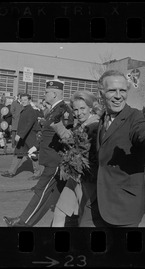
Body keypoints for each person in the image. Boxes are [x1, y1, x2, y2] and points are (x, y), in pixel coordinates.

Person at [79, 70, 145, 227]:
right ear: (101, 93)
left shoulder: (136, 117)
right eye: (112, 90)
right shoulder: (104, 117)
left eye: (123, 90)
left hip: (123, 206)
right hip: (96, 200)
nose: (118, 95)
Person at [3, 79, 74, 227]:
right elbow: (47, 134)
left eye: (47, 92)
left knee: (41, 190)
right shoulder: (54, 110)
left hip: (55, 160)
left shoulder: (63, 111)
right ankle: (25, 221)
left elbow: (67, 137)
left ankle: (23, 222)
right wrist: (36, 147)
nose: (44, 94)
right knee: (50, 196)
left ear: (54, 93)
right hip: (50, 158)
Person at [52, 91, 101, 227]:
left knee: (85, 219)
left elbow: (80, 148)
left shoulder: (95, 126)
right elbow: (72, 143)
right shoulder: (81, 124)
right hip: (75, 178)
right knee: (60, 211)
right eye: (75, 109)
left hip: (88, 181)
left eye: (82, 109)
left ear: (91, 108)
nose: (78, 113)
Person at [0, 93, 42, 177]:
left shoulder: (30, 110)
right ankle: (11, 172)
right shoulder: (24, 109)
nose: (23, 102)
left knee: (33, 154)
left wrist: (20, 135)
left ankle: (37, 173)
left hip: (30, 136)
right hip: (23, 136)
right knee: (18, 153)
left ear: (29, 101)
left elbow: (29, 124)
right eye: (22, 100)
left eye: (25, 100)